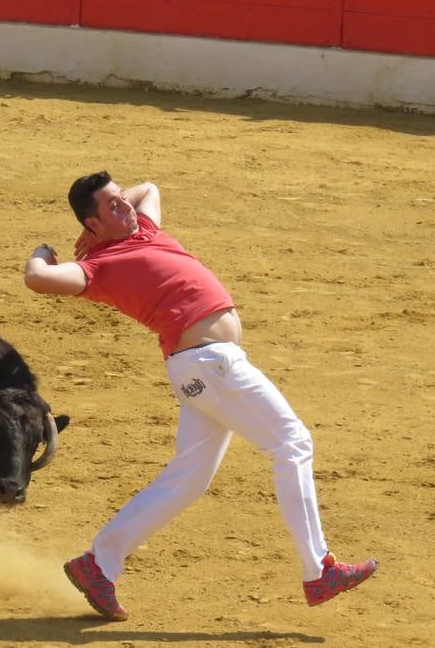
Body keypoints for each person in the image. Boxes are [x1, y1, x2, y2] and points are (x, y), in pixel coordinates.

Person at [23, 172, 378, 621]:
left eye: (119, 199)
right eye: (111, 207)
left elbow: (148, 187)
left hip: (201, 369)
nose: (125, 207)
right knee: (293, 444)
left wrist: (106, 211)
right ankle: (318, 570)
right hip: (213, 365)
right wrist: (43, 251)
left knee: (188, 478)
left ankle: (99, 564)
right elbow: (37, 279)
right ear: (94, 225)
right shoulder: (97, 267)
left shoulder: (143, 229)